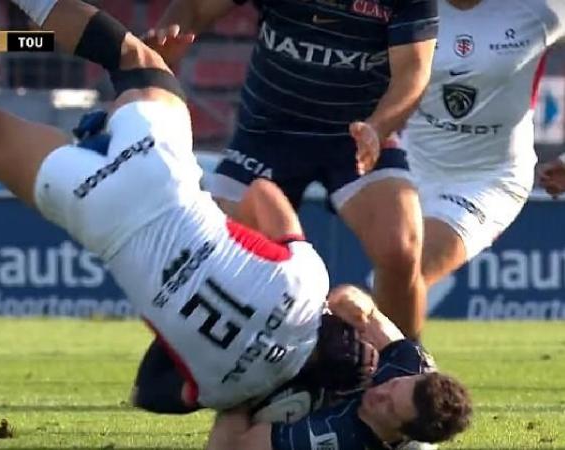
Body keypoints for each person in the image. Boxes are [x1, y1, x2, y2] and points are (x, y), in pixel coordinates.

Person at [0, 0, 378, 413]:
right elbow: (149, 393)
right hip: (98, 214)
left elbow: (263, 196)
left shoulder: (308, 285)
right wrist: (250, 394)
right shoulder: (223, 392)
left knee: (135, 58)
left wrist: (222, 230)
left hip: (162, 173)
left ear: (337, 322)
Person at [149, 0, 439, 339]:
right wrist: (166, 42)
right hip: (266, 136)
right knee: (217, 260)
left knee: (400, 247)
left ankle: (403, 366)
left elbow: (413, 73)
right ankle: (195, 372)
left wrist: (378, 127)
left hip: (357, 136)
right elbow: (194, 9)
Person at [402, 0, 565, 336]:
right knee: (396, 277)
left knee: (411, 271)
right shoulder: (404, 7)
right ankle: (402, 372)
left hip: (489, 179)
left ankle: (399, 370)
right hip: (406, 168)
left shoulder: (543, 9)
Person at [205, 285, 473, 450]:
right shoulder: (410, 364)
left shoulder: (336, 438)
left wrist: (246, 382)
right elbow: (360, 307)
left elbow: (239, 446)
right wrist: (353, 304)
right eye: (392, 386)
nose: (379, 393)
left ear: (399, 436)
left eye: (388, 407)